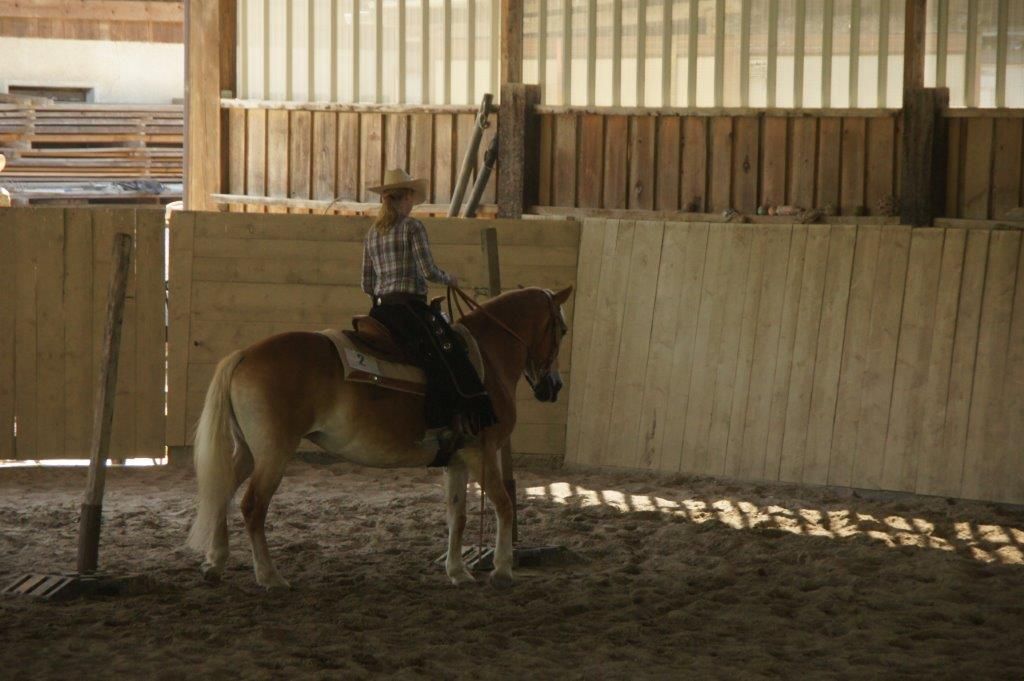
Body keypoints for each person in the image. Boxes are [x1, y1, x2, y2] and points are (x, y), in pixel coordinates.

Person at [361, 168, 497, 461]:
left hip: (380, 312)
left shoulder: (372, 234)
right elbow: (428, 271)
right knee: (446, 352)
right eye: (412, 196)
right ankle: (440, 425)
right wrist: (450, 279)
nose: (413, 201)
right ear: (407, 197)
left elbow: (366, 284)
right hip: (409, 309)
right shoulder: (413, 228)